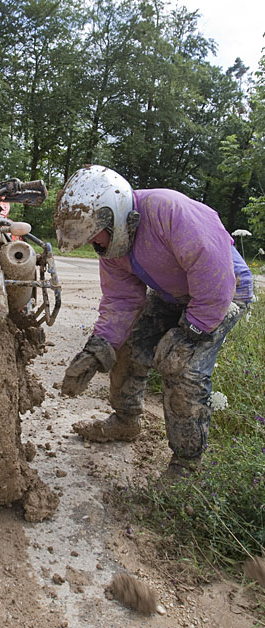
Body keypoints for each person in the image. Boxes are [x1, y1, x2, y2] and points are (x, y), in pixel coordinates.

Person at [54, 165, 253, 480]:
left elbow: (216, 278)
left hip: (223, 292)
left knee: (181, 367)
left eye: (95, 234)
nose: (95, 243)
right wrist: (98, 349)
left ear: (115, 215)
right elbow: (121, 301)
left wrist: (191, 331)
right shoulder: (111, 246)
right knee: (127, 348)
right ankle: (126, 420)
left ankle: (187, 466)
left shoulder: (170, 211)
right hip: (172, 293)